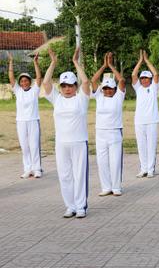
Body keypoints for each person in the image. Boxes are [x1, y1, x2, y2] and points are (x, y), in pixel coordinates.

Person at [43, 47, 90, 218]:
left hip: (79, 142)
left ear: (75, 86)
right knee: (64, 175)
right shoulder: (57, 99)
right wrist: (53, 63)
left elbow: (86, 83)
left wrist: (75, 63)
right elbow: (46, 83)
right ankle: (70, 206)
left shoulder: (81, 99)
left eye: (70, 85)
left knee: (79, 175)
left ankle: (81, 206)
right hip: (61, 143)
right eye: (64, 86)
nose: (67, 89)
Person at [90, 52, 126, 197]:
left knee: (115, 161)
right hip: (100, 133)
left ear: (114, 89)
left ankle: (116, 187)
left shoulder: (118, 97)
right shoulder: (99, 96)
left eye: (110, 88)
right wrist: (103, 65)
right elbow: (93, 80)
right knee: (102, 161)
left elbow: (122, 80)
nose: (108, 90)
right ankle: (106, 187)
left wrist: (111, 66)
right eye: (105, 88)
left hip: (115, 132)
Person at [8, 52, 42, 178]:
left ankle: (37, 169)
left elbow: (39, 78)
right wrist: (11, 61)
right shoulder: (17, 91)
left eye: (26, 80)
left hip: (33, 120)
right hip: (21, 121)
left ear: (29, 81)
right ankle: (28, 169)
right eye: (22, 81)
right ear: (20, 83)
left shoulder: (34, 91)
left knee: (34, 145)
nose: (24, 82)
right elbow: (11, 78)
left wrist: (35, 63)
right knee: (25, 146)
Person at [132, 49, 159, 178]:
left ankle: (150, 169)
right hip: (139, 121)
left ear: (149, 79)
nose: (143, 80)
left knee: (151, 146)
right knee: (141, 146)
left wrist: (147, 61)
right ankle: (143, 169)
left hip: (152, 121)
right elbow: (133, 75)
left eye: (146, 78)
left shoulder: (153, 88)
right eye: (142, 78)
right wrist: (139, 61)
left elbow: (155, 74)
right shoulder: (138, 88)